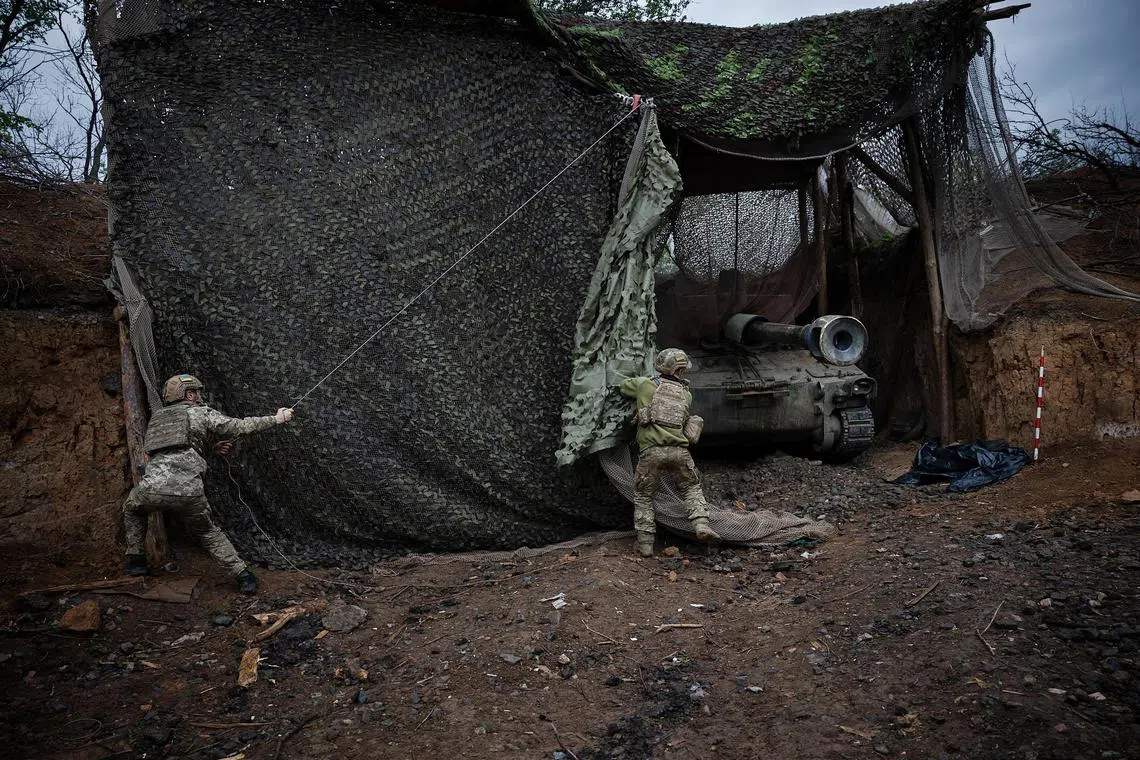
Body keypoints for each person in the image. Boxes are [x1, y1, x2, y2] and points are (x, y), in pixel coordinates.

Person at [122, 374, 294, 593]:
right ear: (190, 394)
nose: (199, 396)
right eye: (196, 392)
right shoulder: (199, 412)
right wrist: (276, 419)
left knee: (131, 507)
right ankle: (243, 576)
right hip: (189, 493)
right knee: (208, 532)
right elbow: (237, 427)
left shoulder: (158, 419)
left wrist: (211, 451)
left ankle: (135, 561)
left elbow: (174, 452)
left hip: (151, 490)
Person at [620, 348, 720, 557]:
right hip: (680, 452)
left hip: (651, 452)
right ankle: (701, 524)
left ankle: (645, 544)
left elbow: (623, 387)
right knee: (691, 488)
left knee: (644, 496)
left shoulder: (645, 385)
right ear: (682, 370)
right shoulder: (686, 394)